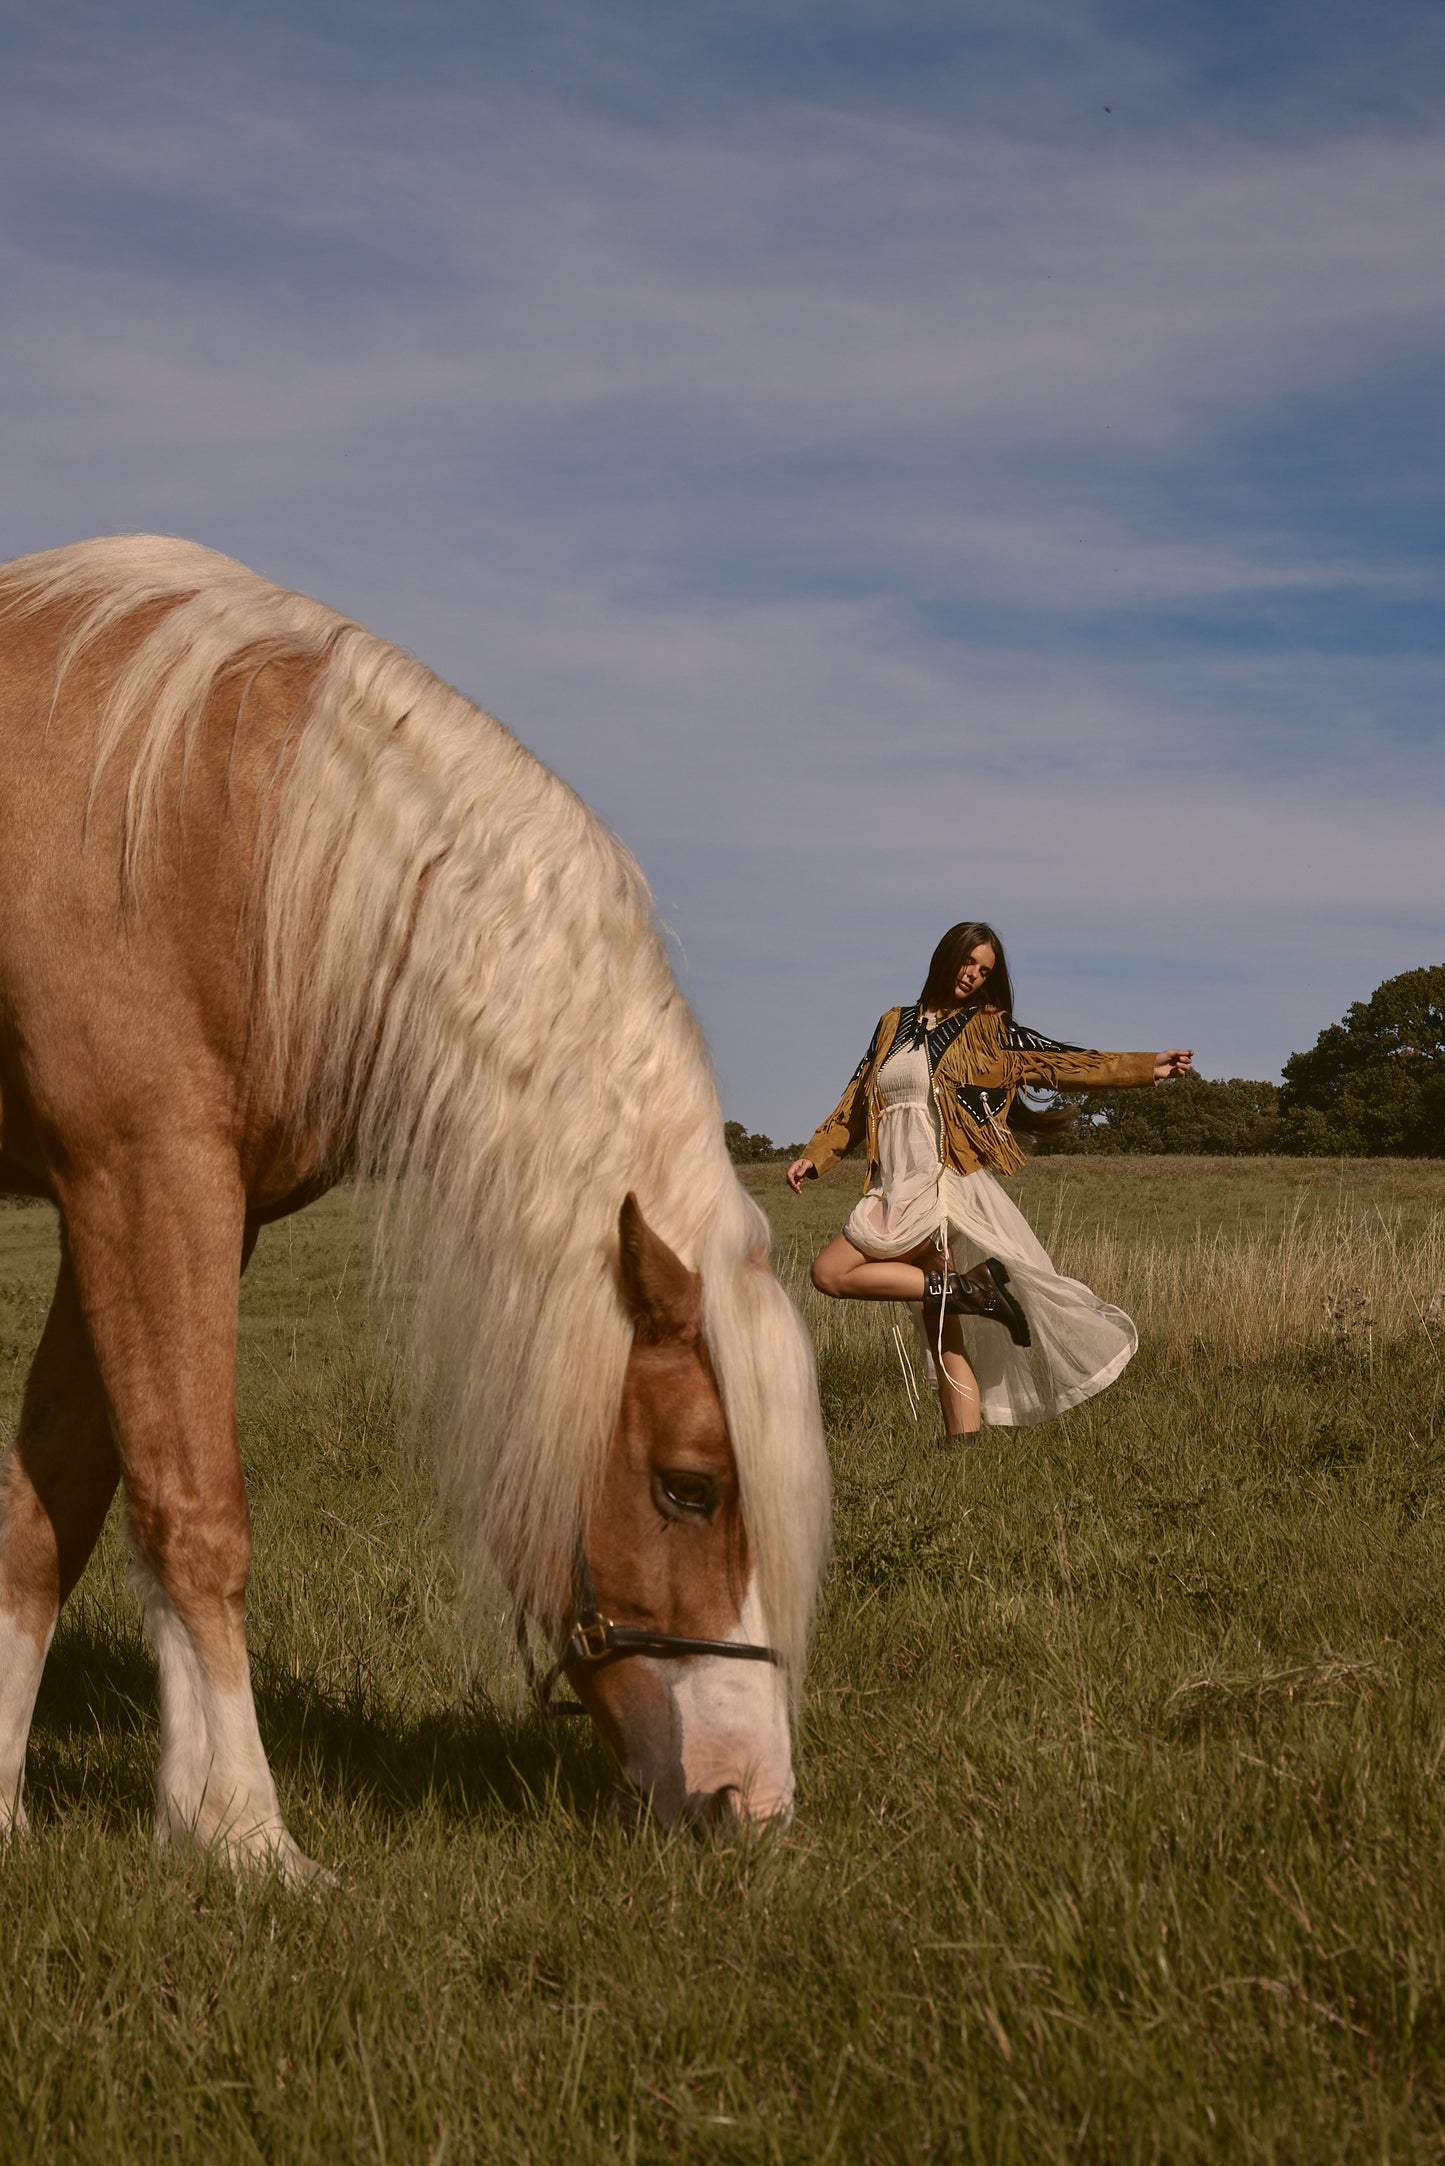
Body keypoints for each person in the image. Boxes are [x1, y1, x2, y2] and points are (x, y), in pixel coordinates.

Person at [786, 923, 1193, 1440]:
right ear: (946, 958)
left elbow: (1057, 1060)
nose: (973, 976)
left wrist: (1143, 1066)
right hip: (892, 1188)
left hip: (941, 1181)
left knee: (830, 1272)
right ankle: (965, 1441)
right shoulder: (893, 1024)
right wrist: (815, 1157)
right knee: (938, 1325)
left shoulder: (988, 1028)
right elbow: (857, 1100)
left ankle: (970, 1292)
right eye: (968, 963)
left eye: (984, 971)